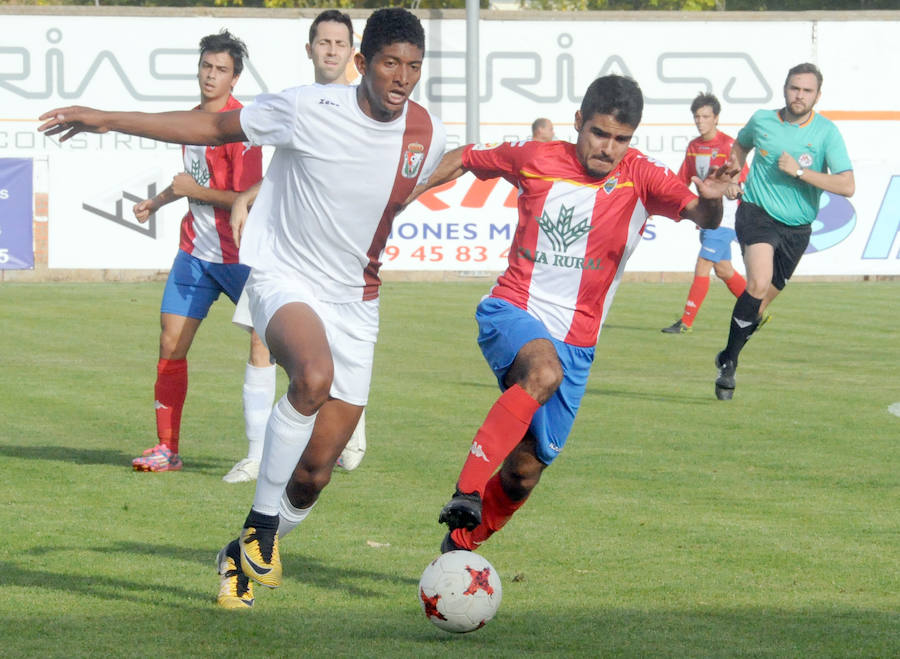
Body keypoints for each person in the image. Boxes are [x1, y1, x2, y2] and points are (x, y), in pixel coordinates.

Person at [38, 7, 446, 609]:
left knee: (316, 474)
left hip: (358, 300)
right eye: (390, 63)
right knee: (311, 377)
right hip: (286, 277)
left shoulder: (424, 131)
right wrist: (105, 119)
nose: (402, 77)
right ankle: (260, 524)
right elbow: (209, 129)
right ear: (363, 63)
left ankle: (242, 552)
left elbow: (389, 196)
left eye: (413, 66)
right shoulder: (306, 107)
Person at [405, 75, 731, 555]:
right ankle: (466, 491)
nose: (608, 148)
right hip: (513, 308)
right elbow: (465, 158)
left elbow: (704, 218)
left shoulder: (641, 176)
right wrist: (401, 198)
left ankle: (456, 553)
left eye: (621, 139)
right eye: (599, 133)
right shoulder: (536, 157)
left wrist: (712, 198)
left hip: (579, 341)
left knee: (524, 473)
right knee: (543, 371)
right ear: (578, 122)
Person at [228, 9, 368, 476]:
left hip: (335, 257)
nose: (331, 50)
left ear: (353, 52)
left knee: (334, 357)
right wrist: (251, 194)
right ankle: (254, 456)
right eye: (323, 42)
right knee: (261, 344)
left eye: (339, 43)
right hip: (283, 253)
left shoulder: (365, 109)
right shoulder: (294, 103)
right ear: (309, 49)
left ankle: (350, 431)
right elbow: (289, 171)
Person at [126, 30, 270, 474]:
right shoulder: (192, 121)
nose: (211, 76)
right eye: (206, 67)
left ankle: (310, 437)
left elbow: (249, 198)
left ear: (235, 78)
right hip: (195, 255)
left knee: (275, 349)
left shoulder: (241, 126)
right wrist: (160, 200)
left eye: (221, 70)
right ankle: (167, 448)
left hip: (241, 256)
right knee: (170, 344)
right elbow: (190, 181)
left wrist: (195, 191)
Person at [713, 62, 854, 400]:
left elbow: (847, 185)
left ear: (818, 95)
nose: (799, 95)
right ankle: (729, 370)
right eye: (794, 88)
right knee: (758, 283)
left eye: (806, 90)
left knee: (759, 307)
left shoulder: (826, 133)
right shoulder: (763, 120)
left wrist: (800, 173)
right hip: (756, 212)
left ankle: (728, 355)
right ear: (785, 88)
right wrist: (733, 177)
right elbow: (739, 148)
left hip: (798, 228)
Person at [661, 93, 749, 334]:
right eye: (697, 116)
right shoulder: (694, 146)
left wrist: (735, 187)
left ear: (716, 118)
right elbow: (683, 179)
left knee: (703, 265)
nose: (700, 121)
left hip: (725, 215)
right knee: (724, 270)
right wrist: (666, 201)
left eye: (705, 116)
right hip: (705, 215)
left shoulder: (729, 145)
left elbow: (743, 177)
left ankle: (686, 322)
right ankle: (756, 310)